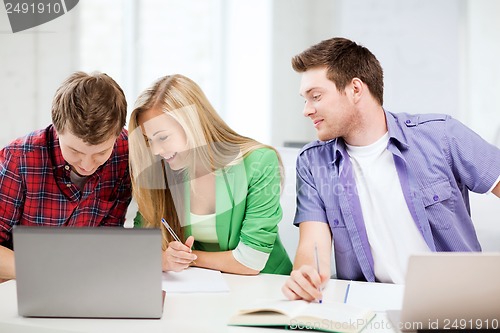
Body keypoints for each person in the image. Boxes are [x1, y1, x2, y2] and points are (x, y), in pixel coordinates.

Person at [281, 37, 500, 301]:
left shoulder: (442, 135)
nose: (306, 110)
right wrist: (306, 276)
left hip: (459, 303)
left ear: (356, 90)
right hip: (369, 309)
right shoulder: (313, 163)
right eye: (304, 99)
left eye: (315, 96)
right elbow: (312, 249)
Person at [128, 74, 292, 275]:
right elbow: (139, 247)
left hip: (266, 288)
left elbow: (251, 260)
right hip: (202, 289)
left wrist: (188, 259)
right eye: (148, 140)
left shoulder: (259, 162)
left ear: (193, 124)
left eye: (162, 137)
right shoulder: (163, 170)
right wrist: (164, 259)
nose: (155, 151)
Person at [0, 71, 132, 282]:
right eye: (75, 152)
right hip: (22, 283)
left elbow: (109, 239)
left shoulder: (125, 152)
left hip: (89, 281)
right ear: (57, 128)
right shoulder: (19, 159)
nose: (87, 165)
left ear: (117, 134)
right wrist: (46, 271)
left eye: (100, 153)